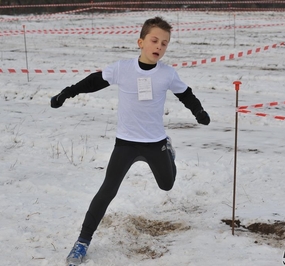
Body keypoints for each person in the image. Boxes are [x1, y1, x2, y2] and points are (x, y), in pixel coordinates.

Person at [50, 16, 210, 265]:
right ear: (141, 42)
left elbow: (186, 94)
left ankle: (169, 151)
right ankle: (82, 242)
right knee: (107, 190)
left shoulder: (167, 74)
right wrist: (67, 92)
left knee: (167, 185)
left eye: (165, 43)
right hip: (125, 143)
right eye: (155, 40)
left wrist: (198, 111)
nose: (159, 46)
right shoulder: (122, 69)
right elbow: (94, 81)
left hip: (155, 142)